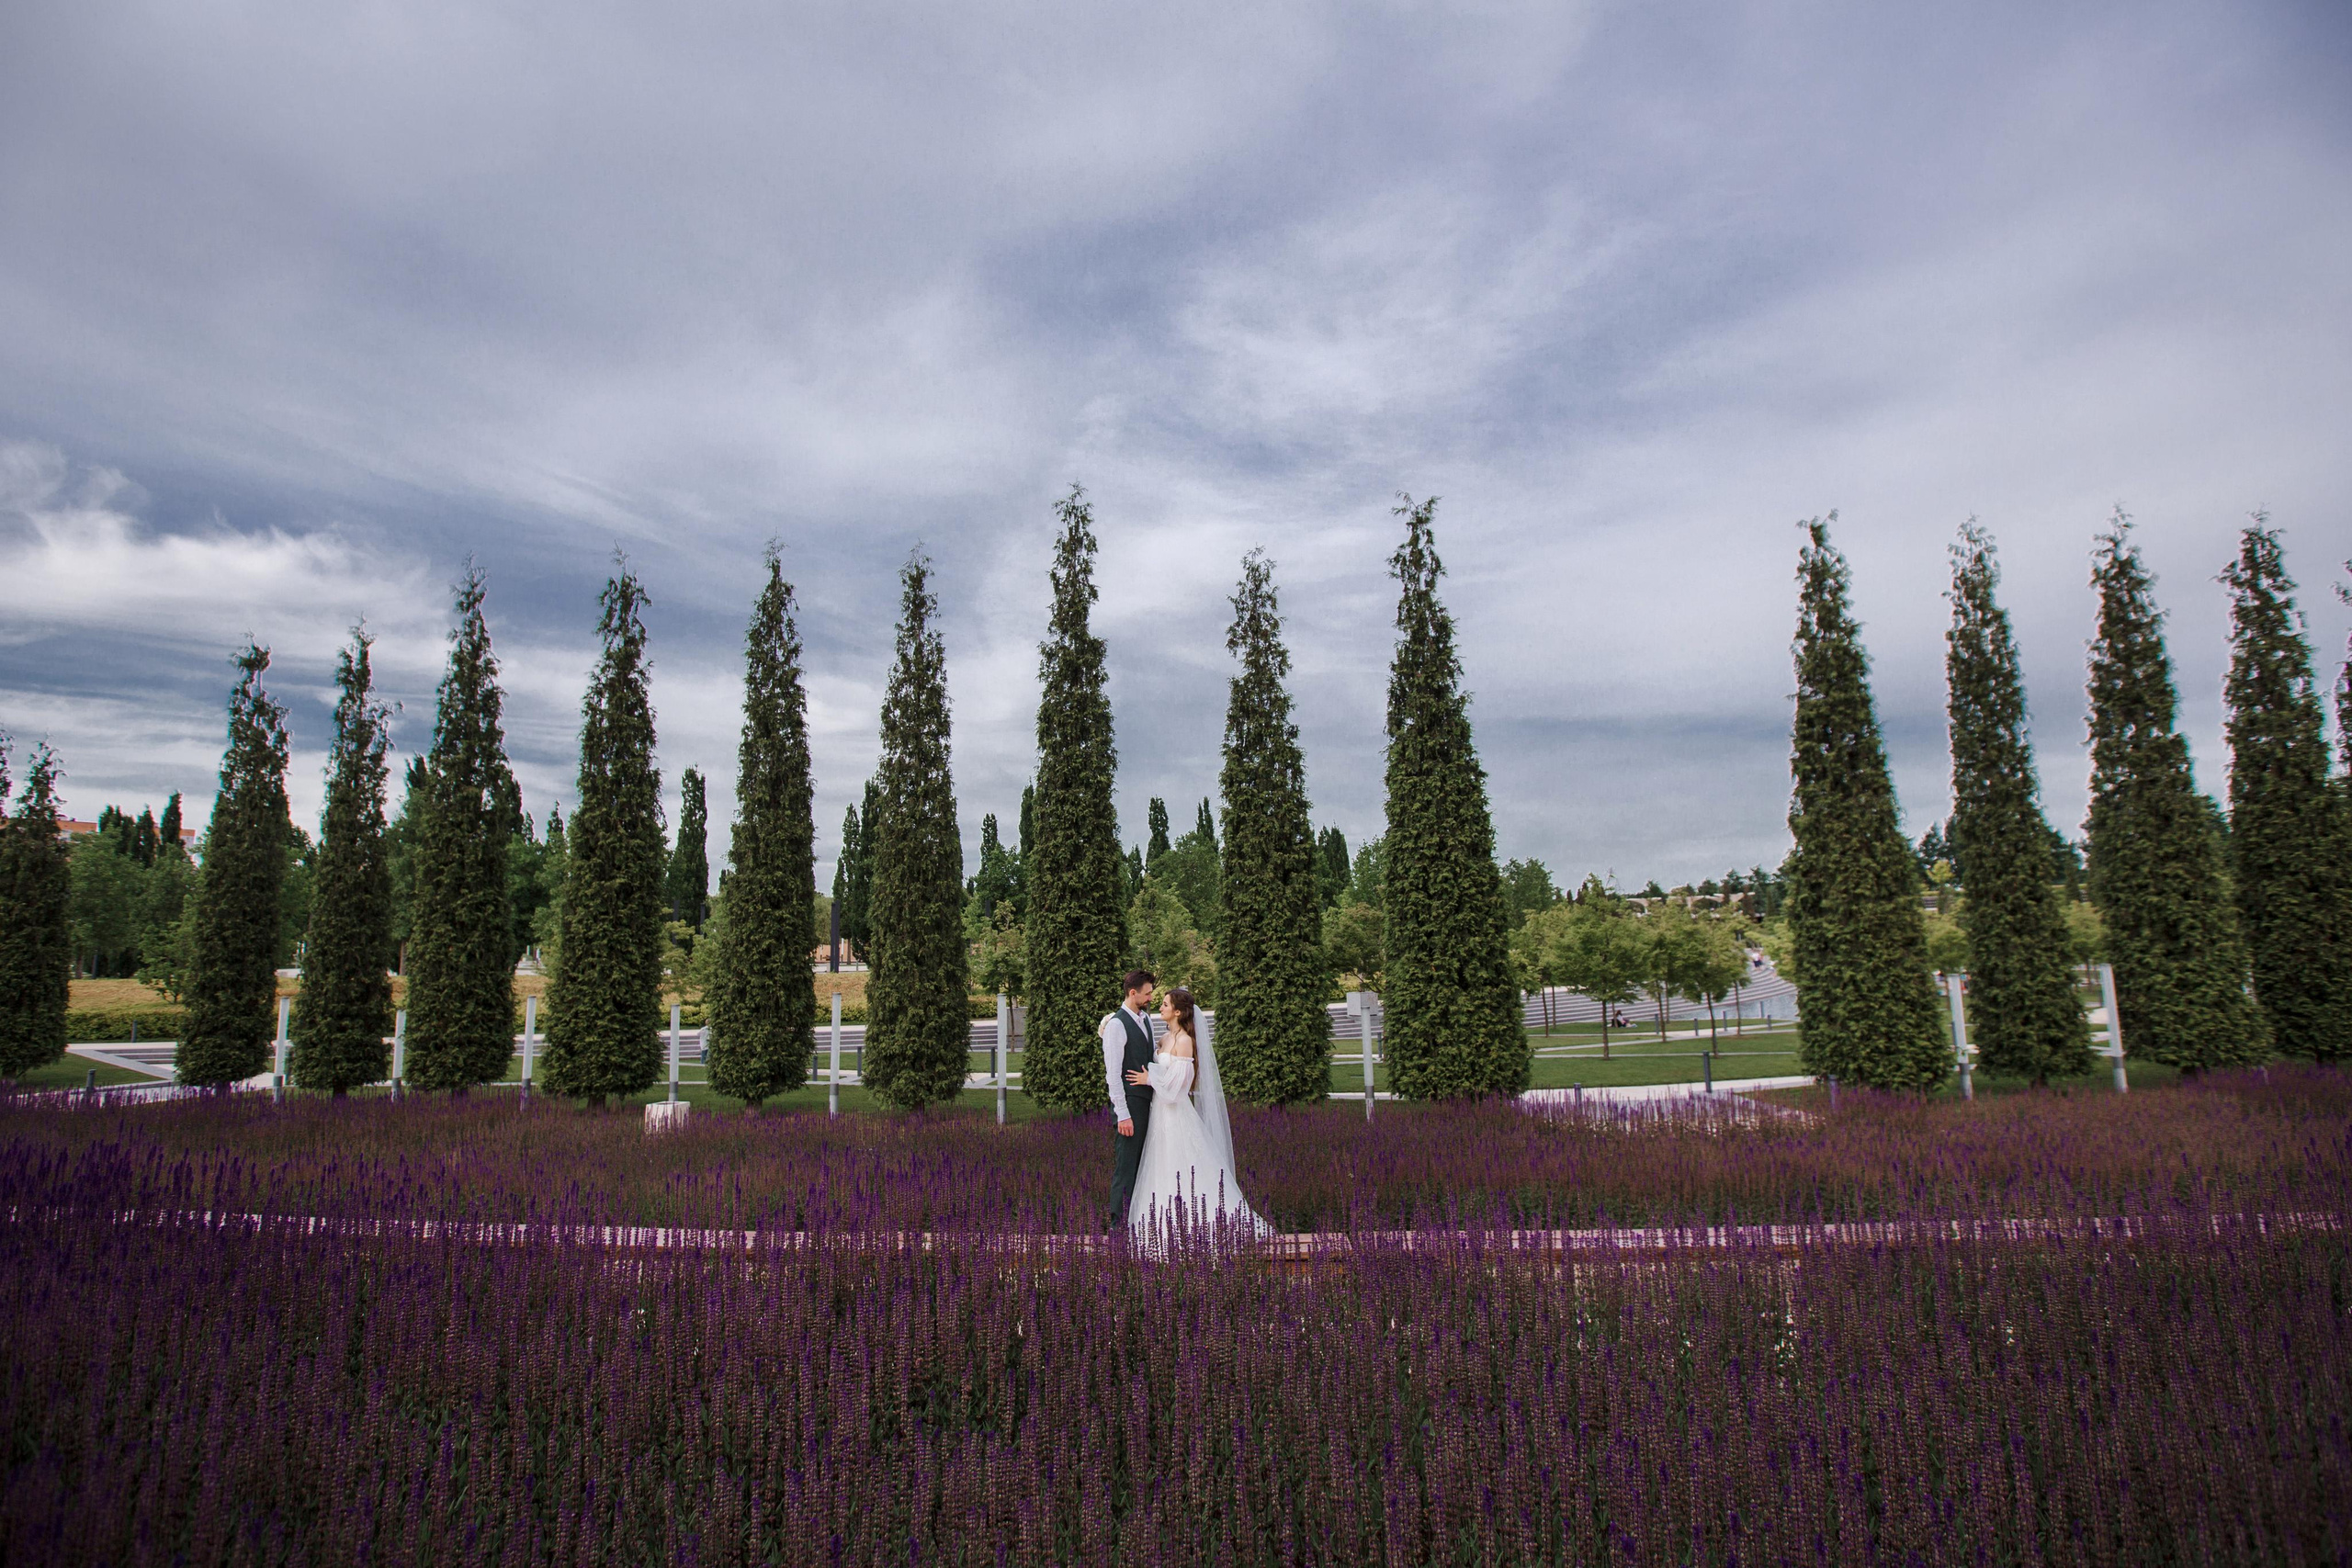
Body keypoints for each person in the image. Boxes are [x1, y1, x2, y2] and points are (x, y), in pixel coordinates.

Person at [1122, 986, 1266, 1245]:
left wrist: (1149, 1078)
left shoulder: (1185, 1041)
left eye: (1165, 1004)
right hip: (1160, 1115)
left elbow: (1179, 1087)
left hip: (1176, 1115)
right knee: (1160, 1165)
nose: (1161, 1006)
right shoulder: (1165, 1039)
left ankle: (1195, 1225)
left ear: (1177, 1011)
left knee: (1181, 1165)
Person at [1102, 969, 1159, 1230]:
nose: (1150, 997)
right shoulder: (1116, 1025)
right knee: (1126, 1166)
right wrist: (1122, 1114)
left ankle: (1138, 1222)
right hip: (1130, 1107)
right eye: (1147, 993)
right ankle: (1118, 1226)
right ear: (1132, 993)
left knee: (1144, 1165)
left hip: (1148, 1103)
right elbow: (1113, 1076)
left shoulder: (1146, 1019)